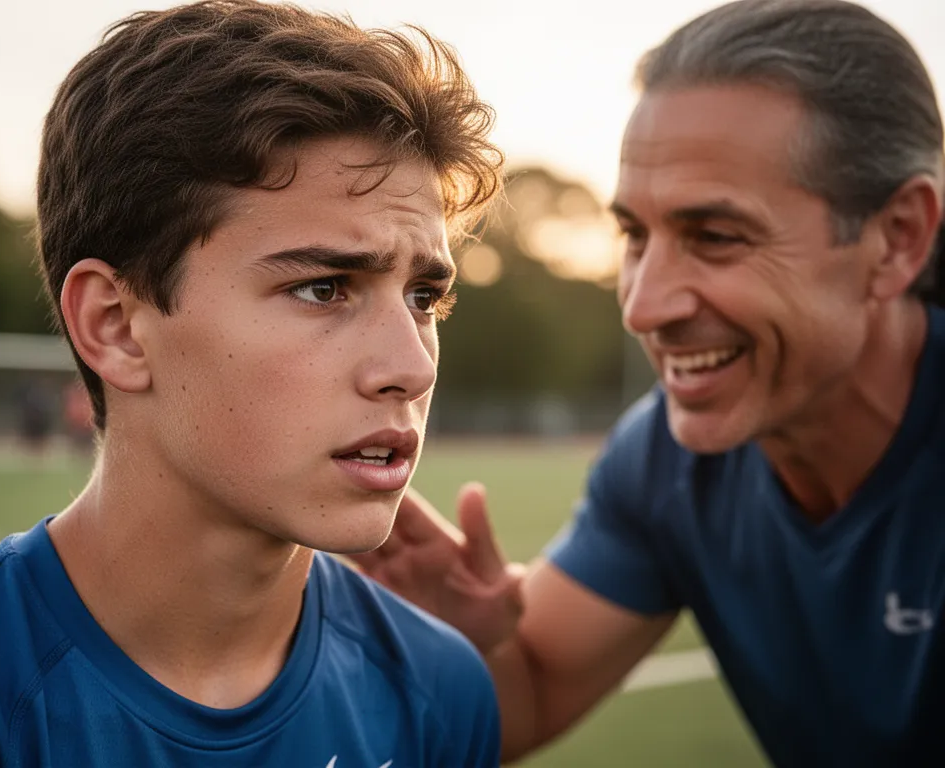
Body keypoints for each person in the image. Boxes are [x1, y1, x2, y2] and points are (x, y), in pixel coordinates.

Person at [351, 1, 945, 765]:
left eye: (717, 237)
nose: (643, 305)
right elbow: (526, 698)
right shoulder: (668, 460)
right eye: (635, 234)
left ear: (897, 240)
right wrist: (476, 644)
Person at [0, 2, 504, 766]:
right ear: (116, 326)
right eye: (325, 288)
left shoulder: (441, 690)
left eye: (423, 298)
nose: (413, 365)